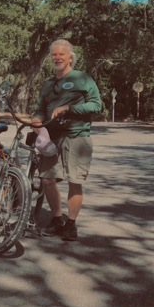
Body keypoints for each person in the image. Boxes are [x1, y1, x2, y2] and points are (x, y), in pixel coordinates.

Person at [31, 39, 102, 241]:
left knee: (75, 181)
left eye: (62, 54)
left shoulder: (82, 78)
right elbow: (40, 109)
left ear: (71, 57)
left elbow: (97, 106)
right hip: (51, 139)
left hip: (77, 136)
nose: (57, 57)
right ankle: (56, 219)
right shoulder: (48, 84)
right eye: (54, 54)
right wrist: (36, 119)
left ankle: (71, 224)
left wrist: (69, 109)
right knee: (47, 179)